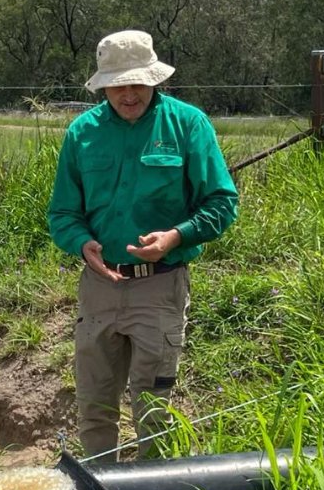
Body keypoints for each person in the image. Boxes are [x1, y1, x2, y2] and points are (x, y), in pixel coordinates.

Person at [47, 29, 238, 460]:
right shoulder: (82, 133)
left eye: (137, 83)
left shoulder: (188, 125)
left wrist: (176, 236)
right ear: (103, 85)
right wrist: (82, 245)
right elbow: (62, 214)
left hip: (160, 286)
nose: (128, 95)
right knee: (94, 407)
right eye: (117, 85)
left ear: (155, 80)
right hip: (99, 289)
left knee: (153, 412)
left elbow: (222, 203)